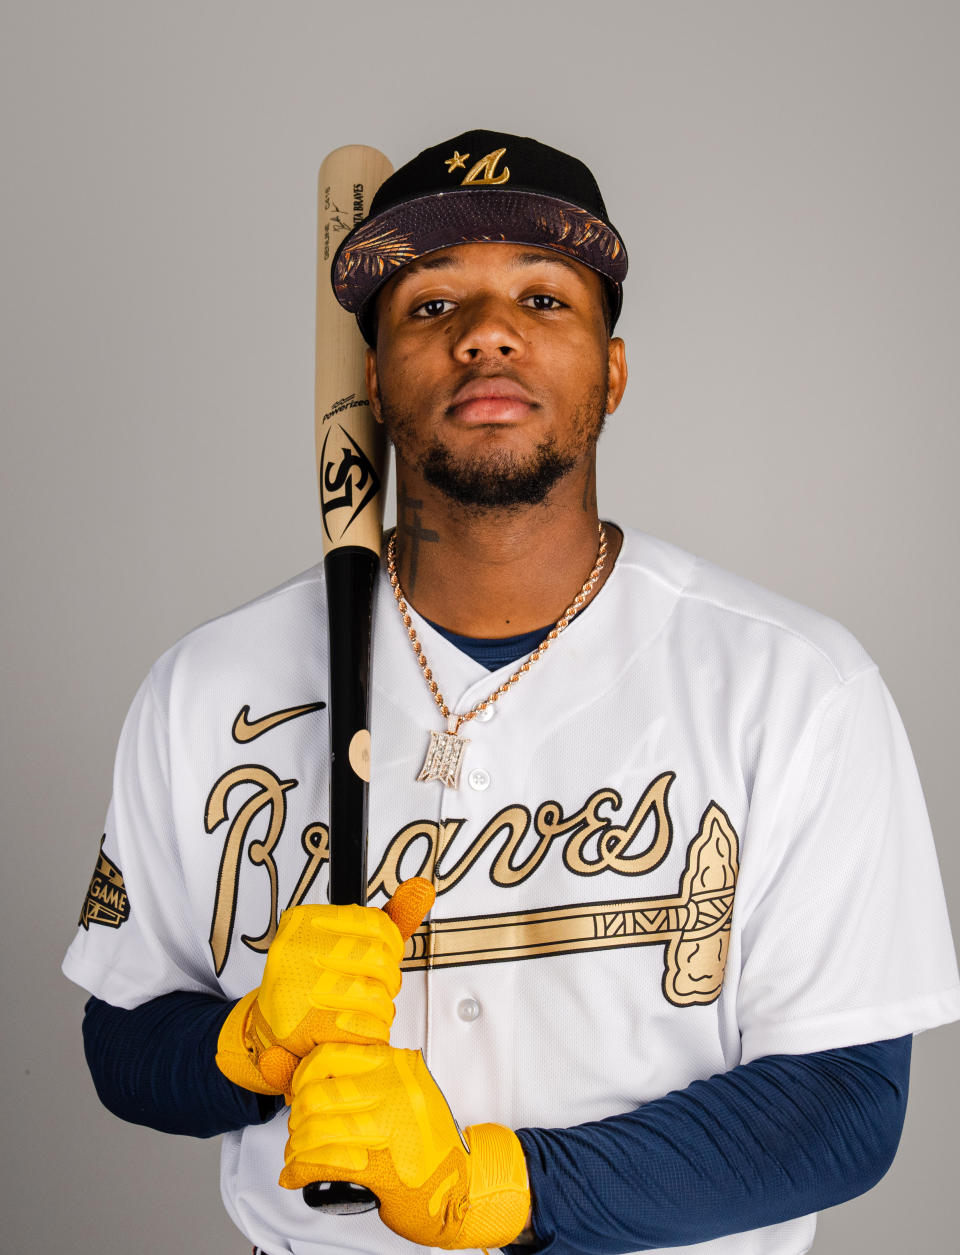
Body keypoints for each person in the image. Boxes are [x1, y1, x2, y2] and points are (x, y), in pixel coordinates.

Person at [63, 129, 960, 1255]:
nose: (489, 331)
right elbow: (123, 1039)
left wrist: (486, 1185)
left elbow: (842, 1107)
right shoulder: (208, 687)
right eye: (433, 306)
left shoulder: (796, 686)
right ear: (371, 383)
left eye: (544, 300)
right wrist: (246, 1045)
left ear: (613, 374)